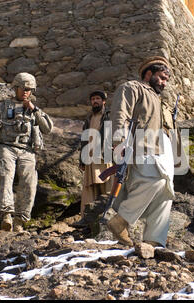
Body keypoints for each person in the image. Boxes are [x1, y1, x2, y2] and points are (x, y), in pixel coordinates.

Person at [107, 56, 175, 248]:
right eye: (161, 77)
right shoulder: (133, 88)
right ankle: (121, 221)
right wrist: (119, 142)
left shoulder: (161, 100)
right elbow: (120, 114)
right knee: (156, 181)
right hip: (141, 147)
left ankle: (154, 240)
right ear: (148, 74)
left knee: (166, 192)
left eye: (166, 80)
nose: (163, 83)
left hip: (163, 151)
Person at [0, 72, 53, 232]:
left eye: (29, 89)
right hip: (6, 147)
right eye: (23, 88)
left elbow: (48, 128)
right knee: (5, 177)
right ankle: (6, 215)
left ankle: (20, 220)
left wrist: (34, 110)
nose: (26, 92)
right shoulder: (2, 107)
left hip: (27, 151)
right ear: (16, 88)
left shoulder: (34, 110)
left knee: (29, 184)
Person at [76, 90, 113, 226]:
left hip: (105, 156)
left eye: (98, 99)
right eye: (93, 99)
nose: (95, 101)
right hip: (90, 157)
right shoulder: (89, 118)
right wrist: (81, 159)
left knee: (107, 186)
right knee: (89, 189)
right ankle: (86, 219)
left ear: (103, 101)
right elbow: (84, 140)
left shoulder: (109, 116)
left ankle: (109, 217)